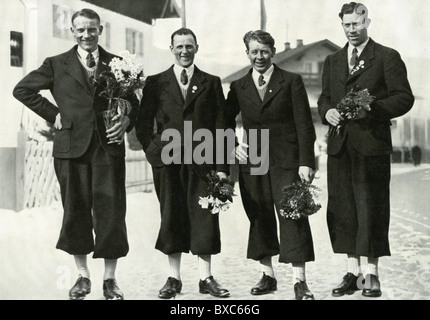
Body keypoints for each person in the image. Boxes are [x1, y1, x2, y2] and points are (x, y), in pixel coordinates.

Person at [13, 8, 140, 300]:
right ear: (73, 31)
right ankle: (82, 277)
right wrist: (54, 114)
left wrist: (126, 118)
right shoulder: (56, 64)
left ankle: (110, 280)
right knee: (76, 211)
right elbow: (22, 90)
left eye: (92, 29)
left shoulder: (117, 63)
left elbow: (134, 101)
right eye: (80, 30)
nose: (86, 35)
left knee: (111, 213)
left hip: (108, 147)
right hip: (70, 148)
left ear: (100, 29)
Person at [317, 2, 414, 298]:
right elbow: (323, 99)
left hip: (371, 147)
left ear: (367, 22)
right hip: (339, 147)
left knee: (370, 209)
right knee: (344, 211)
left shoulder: (386, 57)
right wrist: (327, 112)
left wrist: (371, 108)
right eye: (346, 25)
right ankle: (352, 273)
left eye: (356, 25)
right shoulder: (332, 60)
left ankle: (370, 276)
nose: (351, 30)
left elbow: (404, 98)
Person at [135, 28, 230, 299]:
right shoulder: (155, 82)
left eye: (189, 46)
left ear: (197, 48)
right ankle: (173, 279)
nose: (184, 51)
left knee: (205, 218)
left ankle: (206, 278)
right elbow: (143, 124)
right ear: (171, 48)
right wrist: (154, 151)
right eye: (179, 46)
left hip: (204, 163)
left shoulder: (211, 82)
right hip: (168, 163)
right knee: (171, 216)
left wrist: (222, 168)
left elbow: (222, 125)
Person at [225, 30, 317, 300]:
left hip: (286, 160)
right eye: (254, 51)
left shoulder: (291, 82)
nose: (259, 57)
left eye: (264, 51)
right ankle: (268, 275)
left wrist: (305, 162)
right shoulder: (238, 87)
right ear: (247, 54)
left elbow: (304, 124)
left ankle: (299, 281)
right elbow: (224, 120)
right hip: (254, 158)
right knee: (259, 215)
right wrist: (231, 146)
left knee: (293, 215)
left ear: (273, 52)